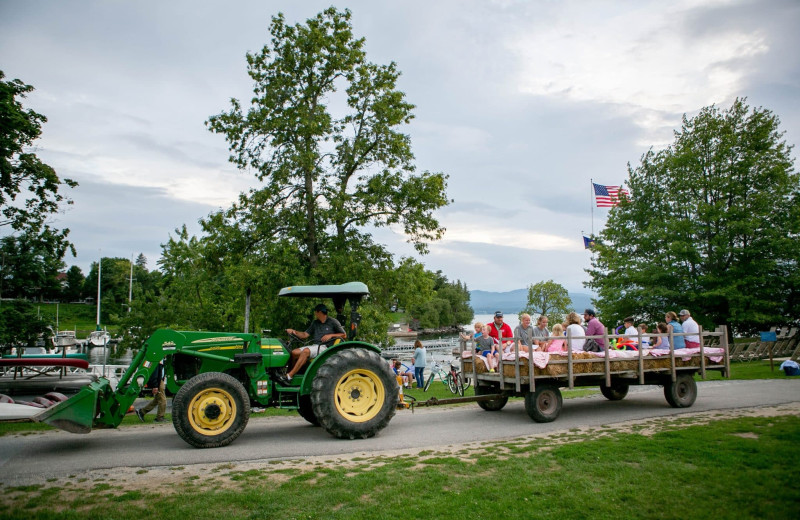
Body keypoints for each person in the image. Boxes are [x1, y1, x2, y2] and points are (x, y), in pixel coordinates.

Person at [280, 303, 346, 385]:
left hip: (325, 347)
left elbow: (344, 335)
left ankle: (289, 376)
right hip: (316, 346)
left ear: (319, 312)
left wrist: (331, 335)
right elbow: (304, 335)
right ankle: (290, 374)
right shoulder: (315, 323)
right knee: (294, 352)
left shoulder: (333, 322)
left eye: (315, 312)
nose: (315, 314)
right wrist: (294, 331)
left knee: (306, 351)